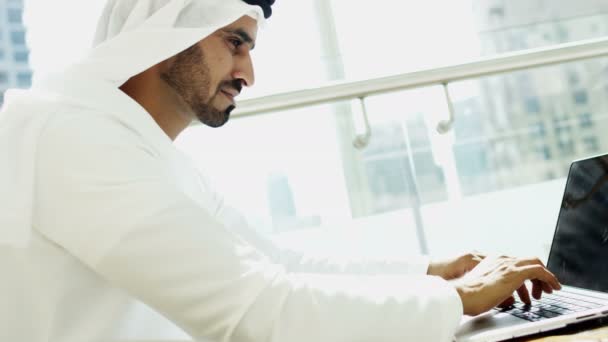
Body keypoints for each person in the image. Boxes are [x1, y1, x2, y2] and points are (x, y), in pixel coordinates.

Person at [0, 0, 561, 341]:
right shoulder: (74, 141)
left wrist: (436, 271)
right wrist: (459, 299)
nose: (248, 73)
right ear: (163, 36)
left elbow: (277, 263)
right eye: (235, 41)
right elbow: (258, 314)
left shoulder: (136, 149)